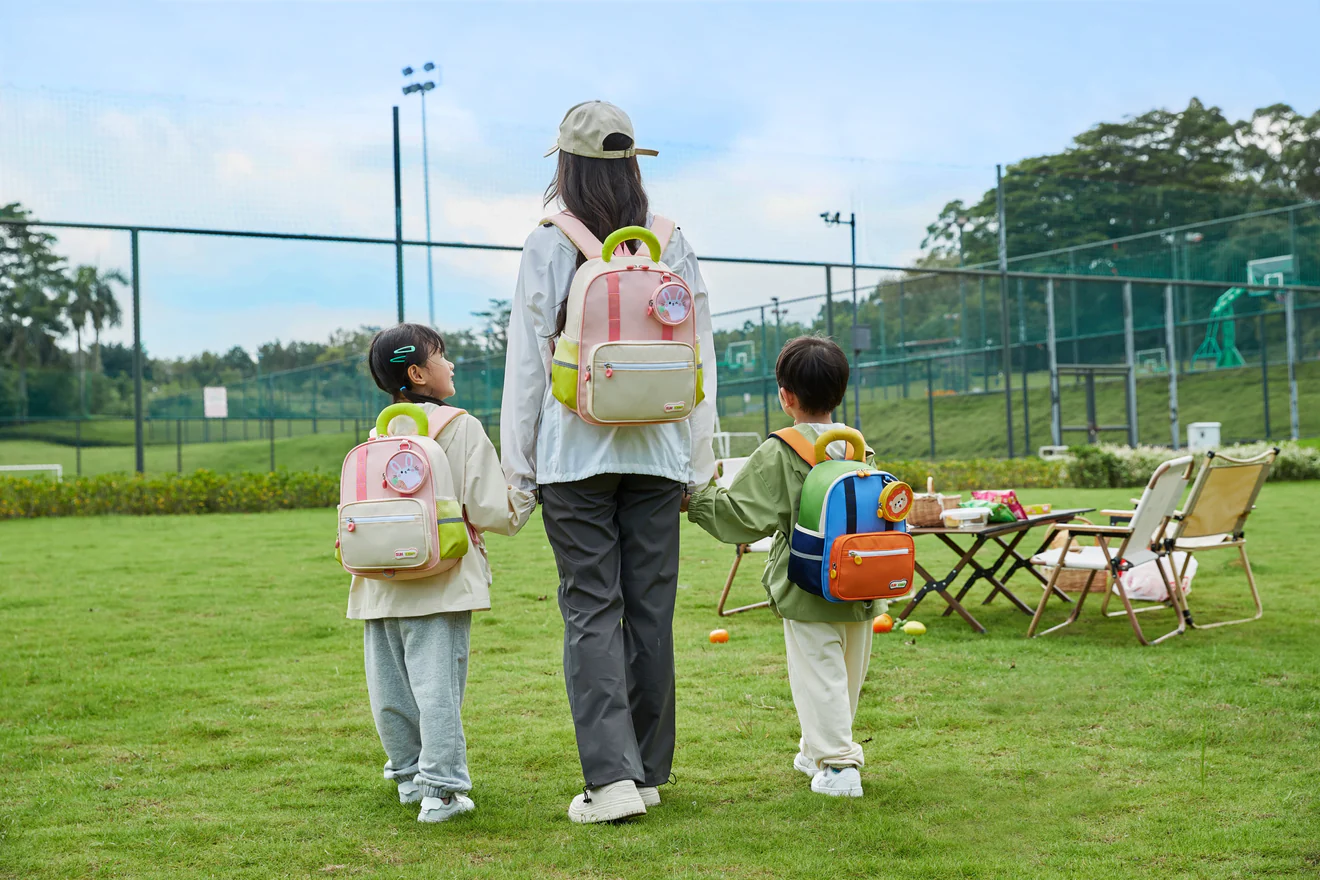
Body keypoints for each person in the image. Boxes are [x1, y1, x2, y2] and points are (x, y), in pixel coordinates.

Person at [501, 101, 717, 823]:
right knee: (651, 612)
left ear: (565, 164)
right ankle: (649, 772)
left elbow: (528, 365)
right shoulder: (668, 240)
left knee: (592, 610)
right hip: (657, 450)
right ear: (632, 163)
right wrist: (697, 461)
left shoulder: (548, 242)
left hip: (574, 456)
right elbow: (699, 357)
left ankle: (612, 783)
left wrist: (518, 470)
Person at [350, 323, 536, 823]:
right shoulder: (460, 426)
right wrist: (528, 496)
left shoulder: (379, 433)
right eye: (441, 356)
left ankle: (409, 776)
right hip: (442, 578)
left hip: (379, 580)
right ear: (417, 372)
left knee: (390, 687)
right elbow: (494, 510)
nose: (450, 364)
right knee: (438, 689)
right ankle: (444, 791)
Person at [683, 336, 876, 798]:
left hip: (808, 583)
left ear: (786, 396)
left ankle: (838, 767)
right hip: (860, 580)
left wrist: (697, 500)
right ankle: (816, 750)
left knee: (818, 674)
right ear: (839, 392)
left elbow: (740, 518)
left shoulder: (781, 450)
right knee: (846, 672)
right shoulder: (858, 448)